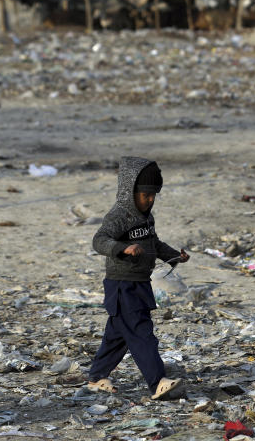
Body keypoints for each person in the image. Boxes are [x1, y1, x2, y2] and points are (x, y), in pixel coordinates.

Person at [87, 157, 190, 400]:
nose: (150, 199)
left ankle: (96, 378)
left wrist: (175, 255)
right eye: (146, 195)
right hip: (123, 285)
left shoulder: (146, 218)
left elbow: (154, 243)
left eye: (154, 194)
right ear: (130, 192)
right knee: (141, 333)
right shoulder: (119, 216)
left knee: (118, 335)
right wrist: (122, 249)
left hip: (140, 283)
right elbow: (99, 240)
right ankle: (157, 383)